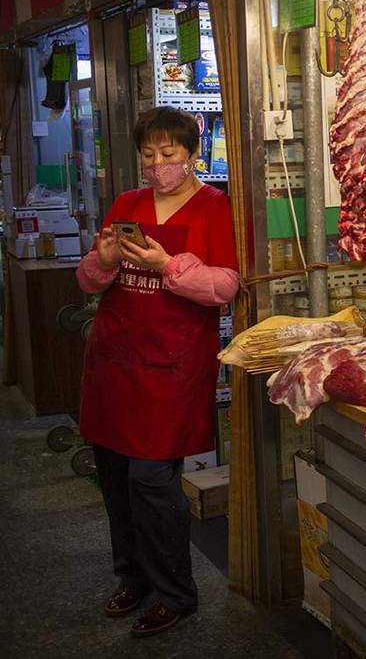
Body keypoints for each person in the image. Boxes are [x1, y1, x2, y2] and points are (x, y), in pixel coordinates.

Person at [76, 106, 239, 637]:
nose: (157, 165)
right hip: (115, 361)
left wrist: (165, 267)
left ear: (193, 154)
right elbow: (89, 282)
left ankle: (175, 591)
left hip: (170, 365)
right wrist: (101, 259)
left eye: (168, 155)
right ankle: (132, 577)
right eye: (148, 155)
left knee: (151, 480)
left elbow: (223, 287)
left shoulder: (216, 208)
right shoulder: (126, 203)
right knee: (116, 480)